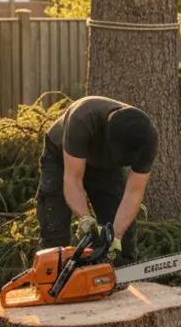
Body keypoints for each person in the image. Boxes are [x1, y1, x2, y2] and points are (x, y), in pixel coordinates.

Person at [36, 96, 157, 265]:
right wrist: (85, 218)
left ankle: (115, 278)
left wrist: (117, 234)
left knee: (122, 240)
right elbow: (72, 180)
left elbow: (134, 192)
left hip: (104, 167)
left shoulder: (147, 138)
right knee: (54, 227)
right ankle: (51, 279)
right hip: (61, 156)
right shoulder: (83, 118)